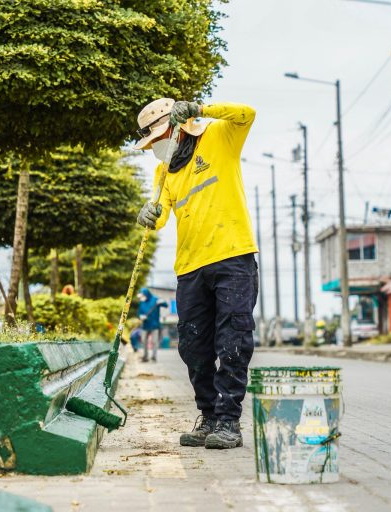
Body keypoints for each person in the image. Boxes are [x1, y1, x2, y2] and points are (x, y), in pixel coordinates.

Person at [134, 99, 258, 450]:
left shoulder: (219, 137)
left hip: (232, 258)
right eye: (151, 142)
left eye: (159, 137)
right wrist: (147, 214)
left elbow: (247, 114)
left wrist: (201, 108)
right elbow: (159, 216)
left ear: (179, 126)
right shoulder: (164, 172)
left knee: (232, 341)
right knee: (193, 347)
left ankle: (229, 421)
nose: (156, 147)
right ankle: (209, 416)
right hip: (190, 268)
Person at [137, 287, 167, 362]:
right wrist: (140, 316)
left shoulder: (155, 299)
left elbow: (166, 305)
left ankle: (153, 357)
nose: (142, 297)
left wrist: (162, 302)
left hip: (154, 325)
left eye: (143, 295)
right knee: (143, 340)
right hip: (145, 325)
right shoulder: (142, 302)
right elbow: (139, 313)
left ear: (146, 294)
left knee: (154, 341)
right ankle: (145, 357)